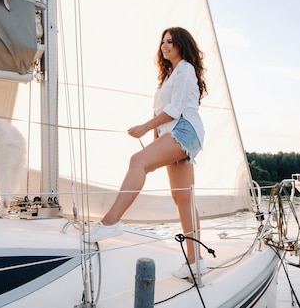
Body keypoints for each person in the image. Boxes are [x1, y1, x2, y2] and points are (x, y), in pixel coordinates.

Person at [84, 26, 207, 279]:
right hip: (174, 132)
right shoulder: (170, 75)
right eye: (163, 42)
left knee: (138, 161)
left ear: (182, 45)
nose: (165, 46)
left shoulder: (185, 69)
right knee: (182, 197)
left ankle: (110, 223)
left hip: (185, 130)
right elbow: (162, 113)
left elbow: (174, 110)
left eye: (171, 42)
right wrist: (156, 136)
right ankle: (195, 262)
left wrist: (143, 129)